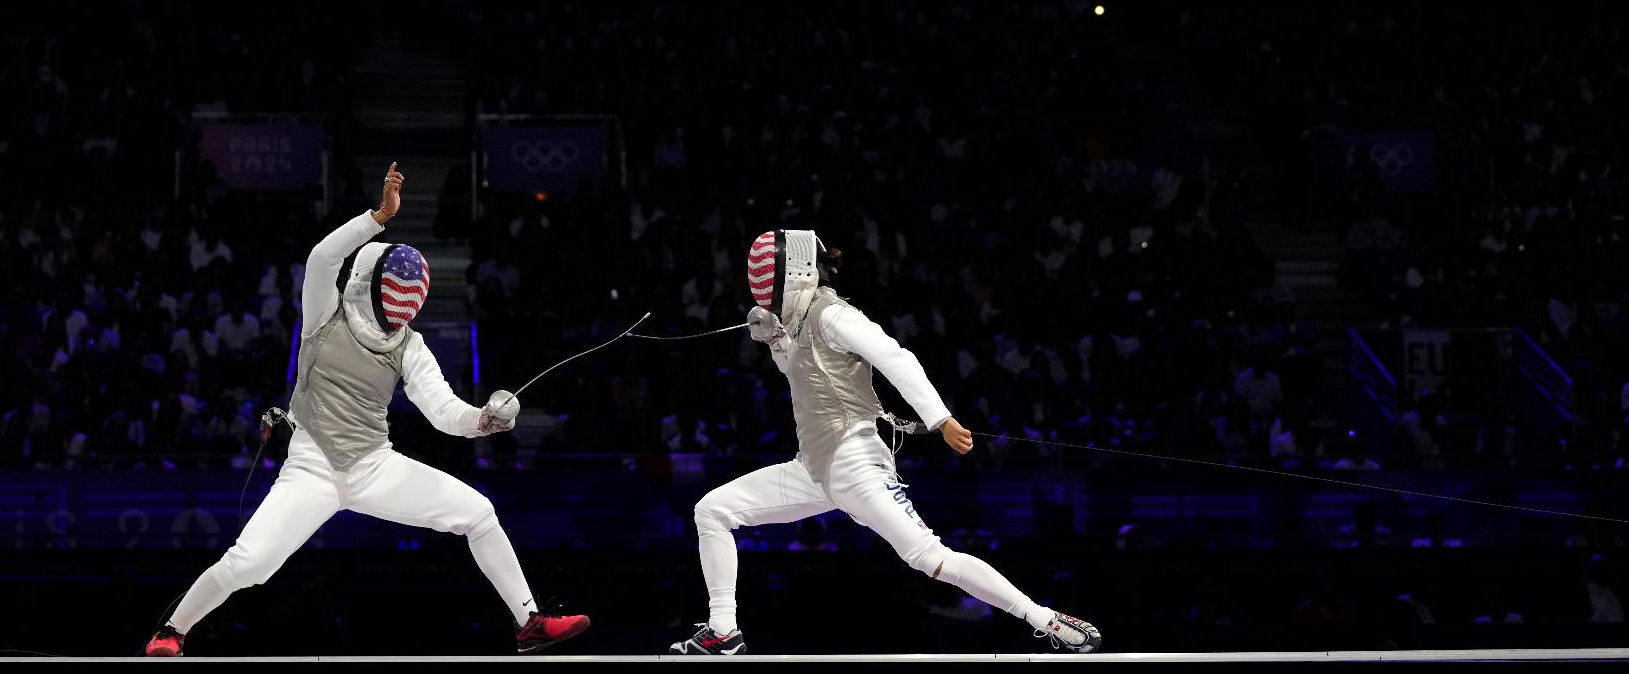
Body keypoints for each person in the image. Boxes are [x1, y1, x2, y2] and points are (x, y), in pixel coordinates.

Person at [145, 163, 589, 656]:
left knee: (479, 513)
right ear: (370, 281)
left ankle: (529, 623)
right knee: (250, 564)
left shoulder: (408, 345)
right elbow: (319, 258)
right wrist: (377, 217)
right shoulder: (325, 312)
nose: (392, 318)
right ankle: (171, 633)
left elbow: (444, 413)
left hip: (374, 465)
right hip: (311, 467)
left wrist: (484, 419)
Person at [668, 229, 1101, 655]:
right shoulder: (797, 323)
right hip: (813, 469)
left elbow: (895, 357)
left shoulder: (831, 313)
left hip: (855, 463)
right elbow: (805, 377)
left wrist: (940, 419)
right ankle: (723, 631)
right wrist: (776, 341)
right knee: (712, 511)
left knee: (931, 558)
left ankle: (1045, 619)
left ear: (792, 271)